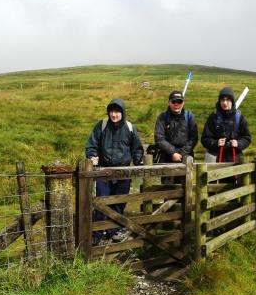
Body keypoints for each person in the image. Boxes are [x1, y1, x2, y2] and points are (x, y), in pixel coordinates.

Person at [85, 98, 144, 243]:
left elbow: (137, 148)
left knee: (119, 203)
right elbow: (91, 144)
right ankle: (97, 234)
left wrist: (138, 161)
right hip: (103, 171)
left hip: (123, 172)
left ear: (122, 112)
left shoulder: (130, 128)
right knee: (101, 203)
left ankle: (114, 230)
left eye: (117, 111)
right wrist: (92, 156)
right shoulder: (102, 125)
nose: (114, 114)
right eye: (111, 111)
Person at [201, 87, 251, 164]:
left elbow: (247, 138)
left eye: (227, 100)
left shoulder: (240, 117)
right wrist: (216, 143)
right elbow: (205, 139)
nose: (224, 103)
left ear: (232, 101)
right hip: (215, 161)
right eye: (222, 100)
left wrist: (238, 143)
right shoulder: (213, 117)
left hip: (235, 161)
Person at [154, 90, 198, 164]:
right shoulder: (163, 117)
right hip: (166, 157)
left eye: (179, 102)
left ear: (183, 103)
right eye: (174, 102)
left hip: (186, 157)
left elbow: (193, 138)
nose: (176, 104)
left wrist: (181, 154)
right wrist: (173, 153)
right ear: (169, 102)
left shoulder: (190, 116)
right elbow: (159, 138)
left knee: (187, 175)